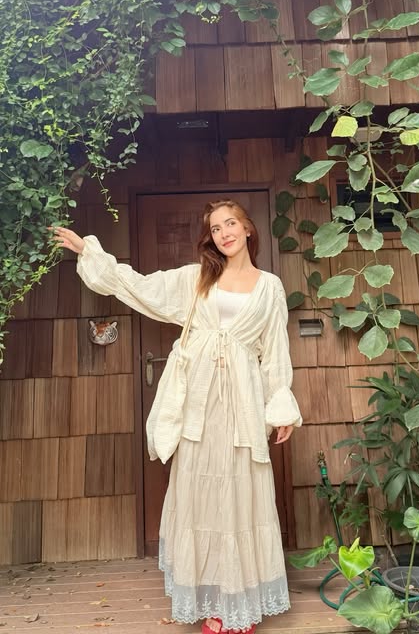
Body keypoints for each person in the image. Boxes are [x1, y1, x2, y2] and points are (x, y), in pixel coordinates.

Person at [51, 199, 302, 634]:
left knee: (239, 493)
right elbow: (139, 287)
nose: (224, 233)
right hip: (197, 404)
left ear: (247, 229)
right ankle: (211, 601)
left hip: (242, 403)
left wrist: (280, 407)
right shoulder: (196, 279)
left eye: (230, 224)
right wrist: (89, 252)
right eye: (215, 228)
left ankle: (238, 606)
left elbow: (276, 352)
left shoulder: (270, 287)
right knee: (200, 493)